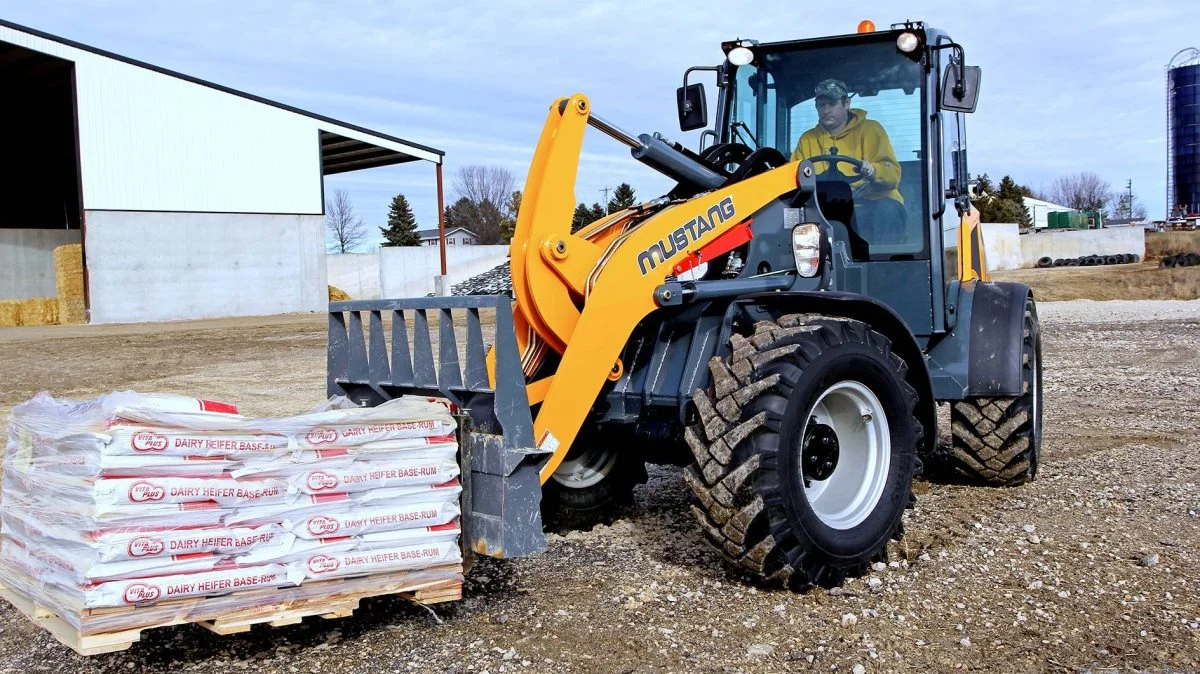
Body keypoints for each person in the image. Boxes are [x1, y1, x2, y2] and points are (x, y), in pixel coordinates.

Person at [791, 79, 905, 243]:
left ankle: (884, 266)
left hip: (869, 203)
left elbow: (892, 175)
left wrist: (874, 171)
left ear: (846, 103)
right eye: (821, 105)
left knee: (888, 210)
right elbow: (793, 174)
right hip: (827, 207)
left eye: (832, 104)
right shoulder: (808, 139)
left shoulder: (872, 130)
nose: (826, 110)